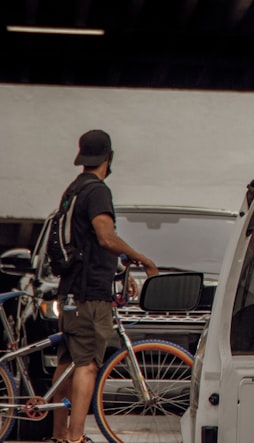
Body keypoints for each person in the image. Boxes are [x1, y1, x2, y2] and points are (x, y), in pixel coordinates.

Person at [51, 129, 159, 443]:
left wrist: (122, 263)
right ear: (108, 158)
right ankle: (75, 438)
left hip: (69, 292)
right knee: (87, 366)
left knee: (68, 362)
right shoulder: (98, 191)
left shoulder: (73, 190)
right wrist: (144, 260)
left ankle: (59, 435)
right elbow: (105, 237)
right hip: (90, 295)